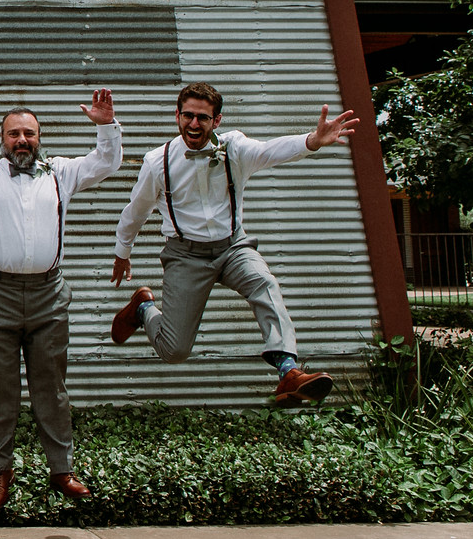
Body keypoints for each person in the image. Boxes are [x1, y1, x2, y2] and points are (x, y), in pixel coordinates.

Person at [109, 81, 357, 404]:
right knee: (175, 350)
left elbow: (270, 151)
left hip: (233, 247)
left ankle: (288, 371)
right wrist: (122, 252)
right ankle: (143, 308)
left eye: (203, 117)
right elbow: (135, 211)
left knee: (263, 283)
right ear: (177, 116)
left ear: (217, 121)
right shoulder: (158, 162)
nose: (194, 124)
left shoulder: (234, 148)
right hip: (185, 255)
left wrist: (311, 141)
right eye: (188, 116)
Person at [0, 84, 120, 512]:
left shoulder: (61, 172)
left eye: (29, 134)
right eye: (14, 134)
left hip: (48, 294)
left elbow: (107, 162)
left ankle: (61, 469)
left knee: (51, 386)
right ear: (2, 140)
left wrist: (107, 125)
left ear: (40, 138)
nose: (22, 141)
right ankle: (0, 470)